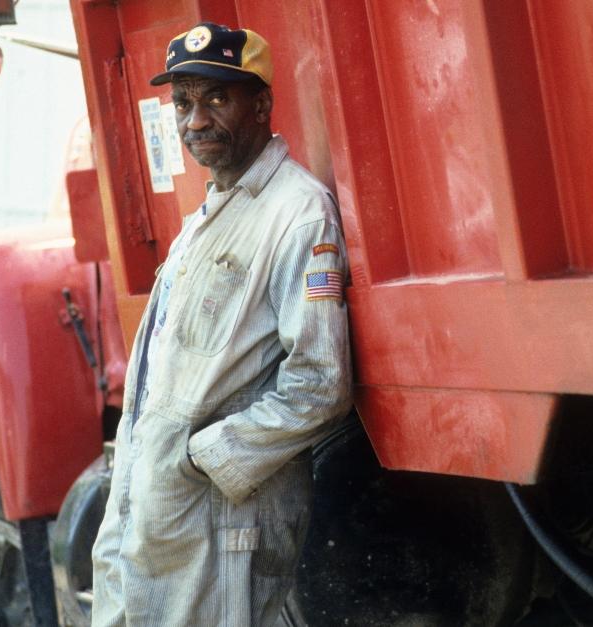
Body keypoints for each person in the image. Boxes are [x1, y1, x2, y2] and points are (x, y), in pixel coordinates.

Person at [90, 22, 352, 627]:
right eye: (183, 101)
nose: (194, 120)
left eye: (216, 97)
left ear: (261, 103)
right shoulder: (205, 218)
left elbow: (320, 385)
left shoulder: (297, 213)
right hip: (159, 519)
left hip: (223, 528)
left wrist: (203, 458)